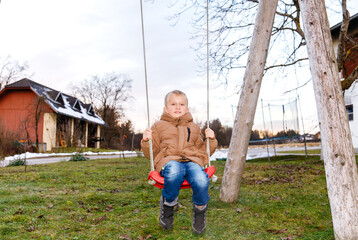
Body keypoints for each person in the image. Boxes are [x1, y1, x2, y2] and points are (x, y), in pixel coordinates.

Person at [141, 90, 217, 234]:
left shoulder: (194, 127)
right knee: (175, 171)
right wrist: (146, 141)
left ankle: (200, 211)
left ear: (187, 109)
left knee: (201, 179)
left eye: (181, 104)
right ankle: (168, 204)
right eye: (173, 104)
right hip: (169, 160)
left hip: (192, 160)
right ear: (165, 109)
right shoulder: (158, 126)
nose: (177, 107)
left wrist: (211, 140)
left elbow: (203, 151)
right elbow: (151, 152)